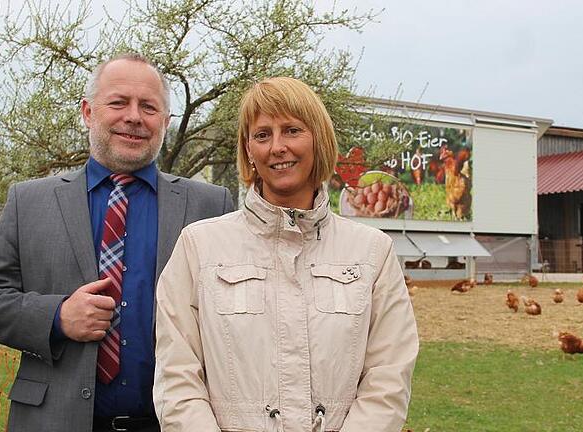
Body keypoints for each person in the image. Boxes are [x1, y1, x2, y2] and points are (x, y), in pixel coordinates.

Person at [0, 53, 233, 432]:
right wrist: (57, 316)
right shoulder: (30, 201)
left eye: (149, 107)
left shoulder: (210, 204)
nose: (134, 117)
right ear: (88, 112)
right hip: (51, 420)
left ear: (165, 122)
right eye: (119, 102)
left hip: (173, 423)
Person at [154, 77, 419, 432]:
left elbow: (388, 377)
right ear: (248, 149)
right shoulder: (199, 248)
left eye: (292, 130)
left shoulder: (371, 252)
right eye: (262, 135)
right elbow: (177, 380)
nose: (277, 147)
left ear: (319, 140)